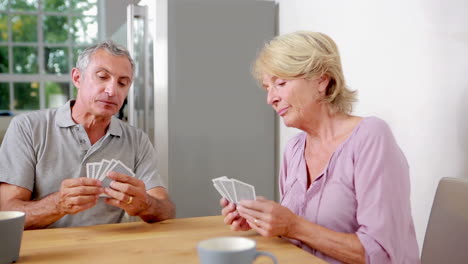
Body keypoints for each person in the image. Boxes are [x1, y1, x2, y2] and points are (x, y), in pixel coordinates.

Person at [220, 31, 420, 264]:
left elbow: (381, 255)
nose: (270, 98)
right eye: (267, 88)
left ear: (321, 81)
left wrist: (293, 226)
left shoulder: (371, 136)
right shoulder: (294, 149)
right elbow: (301, 239)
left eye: (281, 83)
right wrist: (263, 221)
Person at [0, 40, 175, 229]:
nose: (112, 90)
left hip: (107, 252)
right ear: (77, 78)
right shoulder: (27, 127)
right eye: (102, 77)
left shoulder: (137, 140)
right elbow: (7, 211)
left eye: (122, 83)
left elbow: (167, 210)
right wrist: (57, 204)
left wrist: (146, 204)